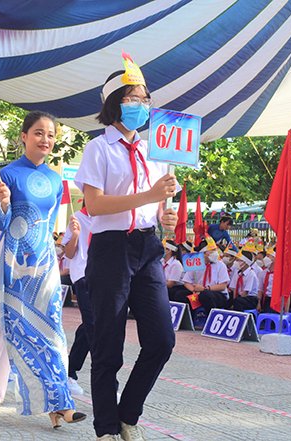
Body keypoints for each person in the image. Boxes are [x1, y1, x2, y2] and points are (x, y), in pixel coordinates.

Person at [0, 111, 86, 427]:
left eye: (51, 135)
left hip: (44, 263)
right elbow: (1, 225)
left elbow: (49, 224)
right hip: (12, 262)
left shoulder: (57, 180)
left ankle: (58, 402)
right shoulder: (7, 175)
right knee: (7, 328)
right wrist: (2, 204)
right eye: (39, 133)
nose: (46, 140)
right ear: (24, 137)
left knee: (51, 331)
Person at [74, 54, 178, 440]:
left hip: (148, 247)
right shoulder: (99, 149)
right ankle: (105, 429)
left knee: (162, 341)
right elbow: (96, 204)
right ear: (114, 102)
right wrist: (146, 195)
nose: (141, 105)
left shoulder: (158, 151)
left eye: (145, 99)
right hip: (110, 248)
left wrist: (165, 217)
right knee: (108, 345)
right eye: (133, 98)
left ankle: (127, 412)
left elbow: (162, 204)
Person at [61, 201, 93, 398]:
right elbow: (69, 253)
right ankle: (109, 383)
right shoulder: (77, 218)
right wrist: (74, 235)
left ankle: (70, 370)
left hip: (108, 277)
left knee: (93, 325)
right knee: (94, 324)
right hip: (83, 276)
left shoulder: (110, 216)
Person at [182, 238, 230, 317]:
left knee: (205, 295)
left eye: (215, 250)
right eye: (212, 250)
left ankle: (211, 319)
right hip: (199, 292)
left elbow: (223, 286)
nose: (215, 253)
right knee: (181, 295)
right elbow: (186, 281)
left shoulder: (220, 265)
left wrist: (205, 288)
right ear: (203, 253)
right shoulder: (196, 263)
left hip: (217, 294)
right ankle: (189, 319)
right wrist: (194, 290)